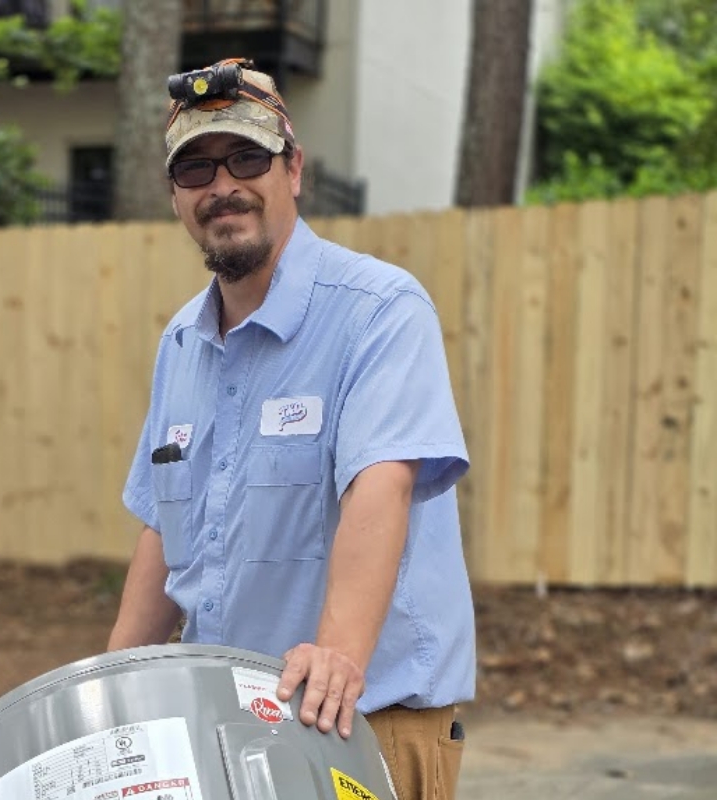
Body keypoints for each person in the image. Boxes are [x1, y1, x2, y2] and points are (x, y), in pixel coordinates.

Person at [107, 57, 475, 800]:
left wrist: (338, 654)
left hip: (357, 722)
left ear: (293, 169)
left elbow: (383, 486)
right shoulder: (180, 343)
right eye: (196, 169)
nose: (222, 186)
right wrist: (110, 692)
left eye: (247, 157)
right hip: (222, 734)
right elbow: (164, 531)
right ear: (176, 196)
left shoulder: (378, 311)